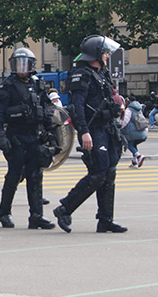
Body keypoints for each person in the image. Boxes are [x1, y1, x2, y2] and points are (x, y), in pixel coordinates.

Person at [53, 35, 128, 234]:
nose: (106, 56)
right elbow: (77, 107)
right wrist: (84, 132)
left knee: (109, 174)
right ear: (96, 53)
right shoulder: (82, 75)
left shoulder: (102, 74)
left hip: (108, 129)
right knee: (98, 174)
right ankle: (65, 208)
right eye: (104, 52)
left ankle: (105, 219)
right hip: (94, 131)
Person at [0, 48, 56, 230]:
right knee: (14, 176)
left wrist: (51, 132)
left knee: (35, 176)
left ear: (31, 66)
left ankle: (36, 216)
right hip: (16, 137)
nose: (21, 68)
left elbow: (47, 110)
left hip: (34, 137)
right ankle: (4, 213)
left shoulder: (38, 85)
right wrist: (2, 136)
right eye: (18, 64)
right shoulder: (7, 87)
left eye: (24, 64)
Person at [120, 96, 147, 169]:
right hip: (141, 131)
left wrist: (119, 127)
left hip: (132, 132)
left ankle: (139, 156)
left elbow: (125, 121)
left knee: (128, 144)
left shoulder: (129, 110)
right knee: (133, 145)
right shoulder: (139, 109)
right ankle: (134, 162)